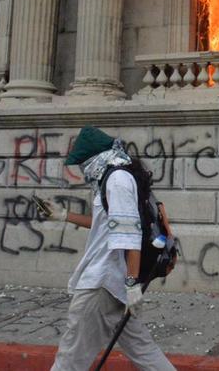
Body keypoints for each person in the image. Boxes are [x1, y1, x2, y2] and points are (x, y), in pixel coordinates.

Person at [44, 126, 175, 371]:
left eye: (83, 162)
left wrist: (132, 284)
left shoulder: (117, 180)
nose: (82, 169)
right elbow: (105, 224)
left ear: (94, 157)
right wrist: (63, 215)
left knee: (69, 360)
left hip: (102, 283)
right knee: (145, 352)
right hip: (115, 284)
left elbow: (130, 234)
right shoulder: (112, 178)